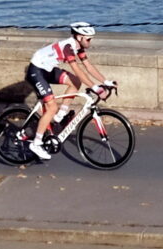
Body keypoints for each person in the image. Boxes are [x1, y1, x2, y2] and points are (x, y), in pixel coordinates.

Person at [24, 22, 109, 160]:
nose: (90, 41)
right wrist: (95, 88)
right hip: (37, 71)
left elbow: (88, 67)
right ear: (80, 37)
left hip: (48, 69)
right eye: (88, 39)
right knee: (51, 107)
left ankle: (59, 116)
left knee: (75, 81)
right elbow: (78, 70)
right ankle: (36, 143)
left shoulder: (78, 47)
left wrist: (105, 82)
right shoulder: (68, 47)